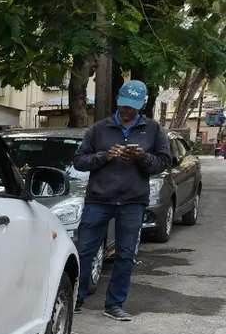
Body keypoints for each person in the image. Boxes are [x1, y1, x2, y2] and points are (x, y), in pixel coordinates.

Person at [72, 80, 171, 321]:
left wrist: (142, 157)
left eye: (133, 107)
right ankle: (76, 297)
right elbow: (79, 161)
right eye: (125, 105)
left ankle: (114, 304)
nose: (127, 111)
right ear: (118, 101)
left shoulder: (154, 130)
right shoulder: (99, 129)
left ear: (142, 105)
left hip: (132, 201)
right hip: (99, 199)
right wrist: (104, 156)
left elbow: (164, 162)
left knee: (126, 254)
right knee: (84, 250)